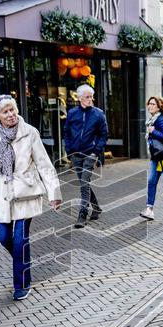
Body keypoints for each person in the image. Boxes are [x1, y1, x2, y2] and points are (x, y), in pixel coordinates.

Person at [0, 95, 61, 300]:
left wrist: (54, 193)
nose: (11, 114)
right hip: (2, 194)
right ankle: (23, 261)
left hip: (26, 192)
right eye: (5, 111)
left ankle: (22, 284)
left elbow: (44, 164)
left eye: (13, 110)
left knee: (19, 240)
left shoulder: (30, 132)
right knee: (3, 238)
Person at [63, 84, 108, 228]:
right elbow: (67, 132)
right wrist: (69, 150)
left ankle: (82, 214)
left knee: (84, 182)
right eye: (87, 97)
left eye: (91, 96)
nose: (90, 99)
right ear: (80, 98)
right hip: (76, 154)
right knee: (85, 183)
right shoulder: (72, 113)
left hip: (90, 153)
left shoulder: (98, 114)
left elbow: (104, 134)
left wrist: (96, 151)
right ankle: (96, 208)